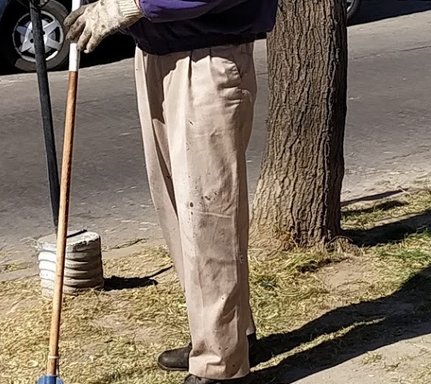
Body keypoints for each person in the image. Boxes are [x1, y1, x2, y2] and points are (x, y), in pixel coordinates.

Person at [64, 0, 277, 382]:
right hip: (155, 53)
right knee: (181, 212)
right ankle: (226, 338)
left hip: (206, 57)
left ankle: (221, 366)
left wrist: (131, 5)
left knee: (209, 219)